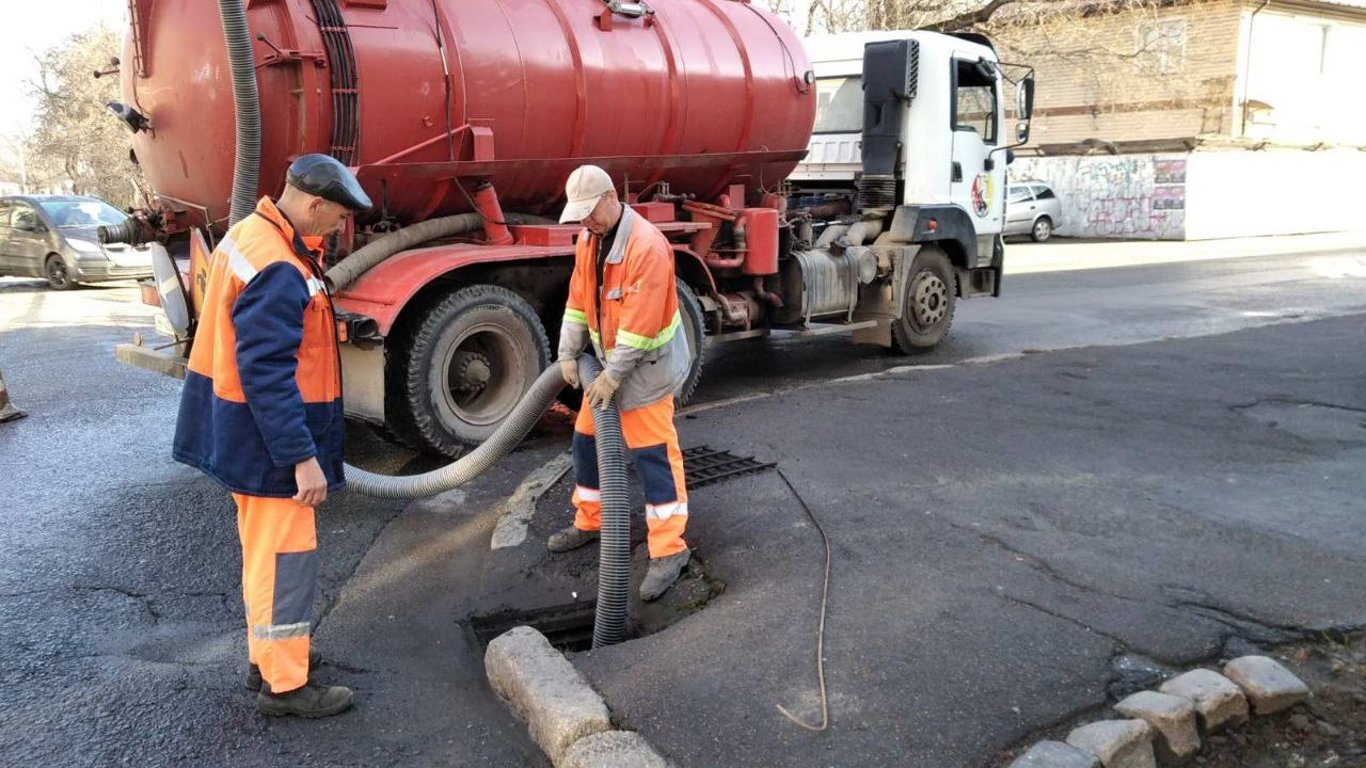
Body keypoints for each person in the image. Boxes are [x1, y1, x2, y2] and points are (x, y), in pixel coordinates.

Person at [172, 154, 370, 718]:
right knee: (287, 559)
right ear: (313, 204)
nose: (338, 227)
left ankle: (269, 657)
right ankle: (285, 686)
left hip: (242, 431)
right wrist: (301, 459)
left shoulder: (253, 234)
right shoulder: (279, 265)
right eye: (336, 217)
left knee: (264, 555)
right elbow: (266, 370)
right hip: (268, 443)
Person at [550, 164, 693, 601]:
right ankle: (590, 520)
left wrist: (611, 377)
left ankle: (669, 549)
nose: (586, 222)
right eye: (580, 215)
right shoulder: (588, 240)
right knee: (586, 441)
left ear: (612, 198)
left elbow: (639, 328)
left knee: (653, 456)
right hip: (611, 367)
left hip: (646, 371)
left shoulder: (646, 247)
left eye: (591, 212)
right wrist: (567, 352)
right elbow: (578, 300)